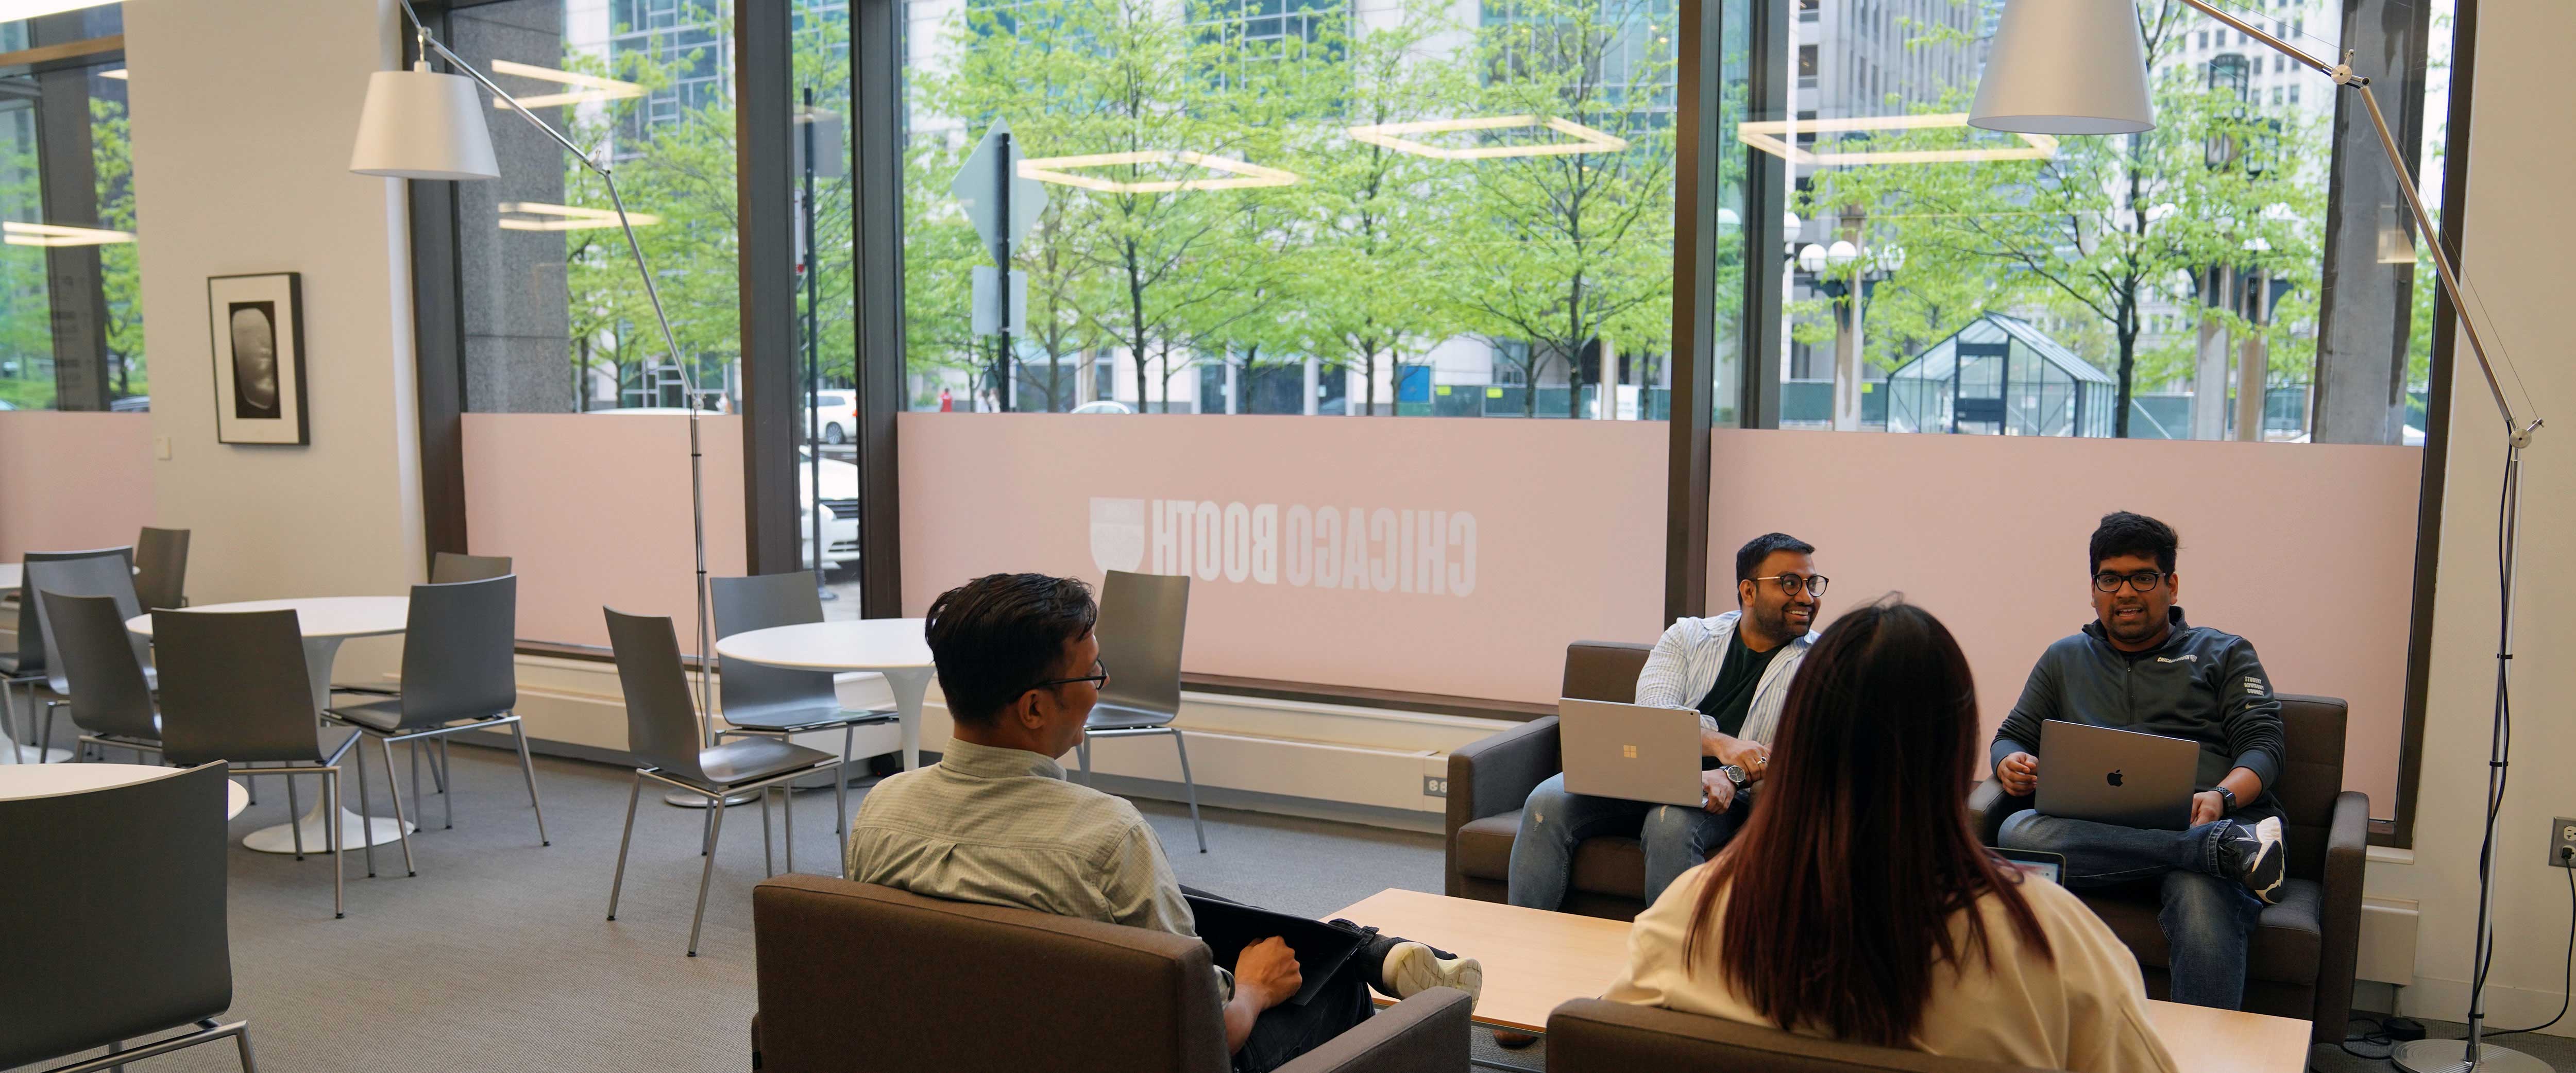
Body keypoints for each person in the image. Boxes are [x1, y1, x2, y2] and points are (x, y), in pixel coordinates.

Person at [844, 573, 1482, 1073]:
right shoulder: (1104, 836)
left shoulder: (879, 813)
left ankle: (1359, 943)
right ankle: (1358, 952)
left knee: (1184, 902)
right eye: (1091, 673)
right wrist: (1252, 991)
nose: (1101, 684)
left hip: (956, 1047)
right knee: (1332, 982)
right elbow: (1206, 1036)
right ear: (1034, 708)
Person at [1607, 598, 2181, 1073]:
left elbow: (1603, 1042)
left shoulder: (1688, 916)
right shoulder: (2054, 944)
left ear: (1798, 743)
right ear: (1954, 756)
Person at [1992, 511, 2289, 1011]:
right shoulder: (2063, 658)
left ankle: (2201, 1053)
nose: (2125, 592)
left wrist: (2221, 796)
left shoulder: (2225, 653)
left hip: (2207, 817)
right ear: (2093, 591)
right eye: (2109, 579)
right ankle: (2218, 851)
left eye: (2142, 578)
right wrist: (2010, 762)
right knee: (2017, 831)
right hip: (2099, 832)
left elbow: (2264, 747)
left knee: (2201, 900)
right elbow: (2011, 736)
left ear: (2171, 585)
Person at [1506, 532, 1825, 914]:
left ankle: (1673, 951)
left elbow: (1804, 749)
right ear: (1749, 591)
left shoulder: (1821, 661)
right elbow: (1654, 713)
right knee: (1546, 801)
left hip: (1730, 795)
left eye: (1812, 584)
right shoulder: (1688, 636)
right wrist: (1723, 744)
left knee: (1669, 822)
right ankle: (1525, 939)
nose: (1806, 597)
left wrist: (1731, 773)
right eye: (1790, 583)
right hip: (1649, 772)